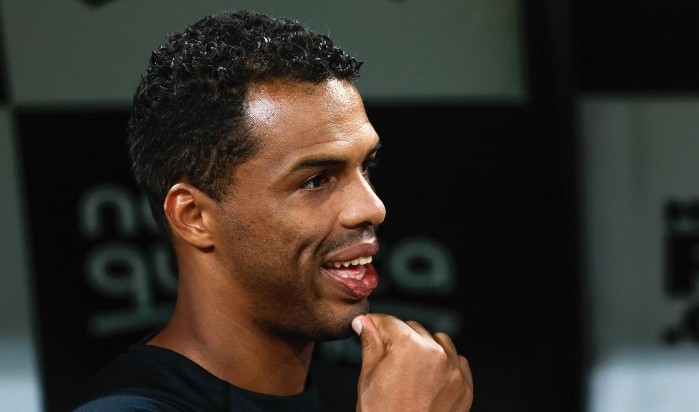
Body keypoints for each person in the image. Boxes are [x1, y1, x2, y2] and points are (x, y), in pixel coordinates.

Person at [73, 10, 473, 411]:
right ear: (193, 217)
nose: (372, 207)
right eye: (315, 180)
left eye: (366, 166)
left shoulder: (366, 396)